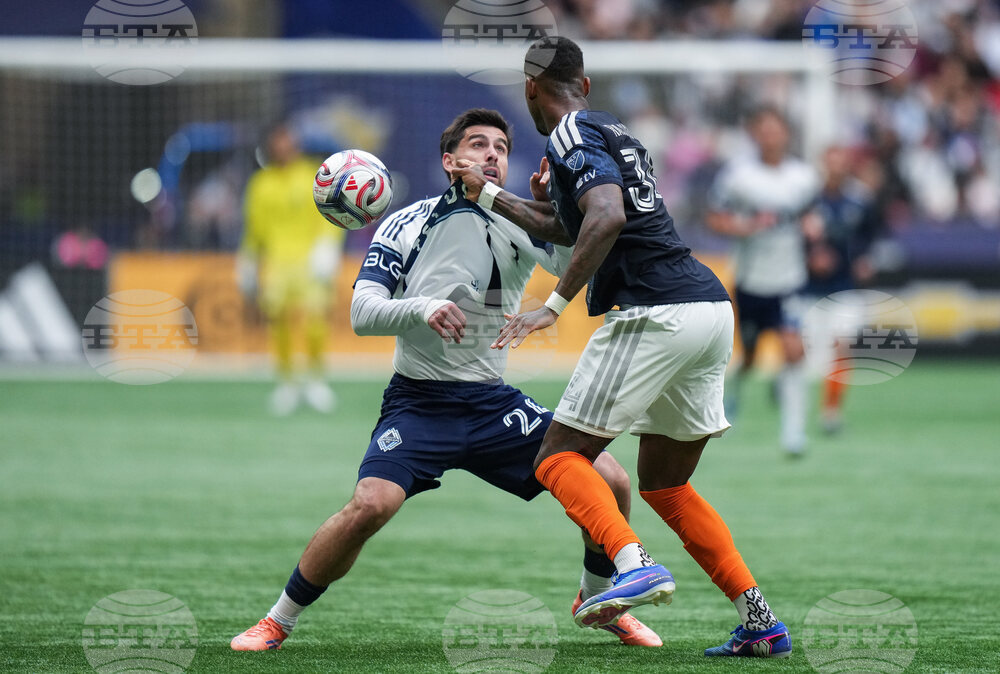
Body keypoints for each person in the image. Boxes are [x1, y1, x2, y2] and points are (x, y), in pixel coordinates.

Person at [230, 108, 661, 652]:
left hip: (493, 406)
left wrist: (558, 210)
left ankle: (598, 599)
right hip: (419, 403)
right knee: (370, 505)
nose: (492, 155)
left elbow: (581, 263)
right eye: (478, 144)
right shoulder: (404, 222)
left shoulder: (522, 220)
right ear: (449, 160)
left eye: (501, 147)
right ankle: (278, 619)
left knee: (613, 480)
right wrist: (424, 307)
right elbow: (363, 312)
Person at [453, 37, 790, 658]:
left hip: (654, 311)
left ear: (531, 88)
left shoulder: (571, 134)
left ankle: (632, 563)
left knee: (556, 459)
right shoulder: (613, 131)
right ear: (583, 84)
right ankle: (760, 620)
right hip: (709, 309)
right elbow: (575, 223)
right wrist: (492, 193)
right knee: (666, 485)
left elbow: (605, 218)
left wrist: (552, 308)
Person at [706, 106, 821, 456]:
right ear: (754, 134)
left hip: (790, 280)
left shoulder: (803, 177)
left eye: (777, 130)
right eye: (764, 130)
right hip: (751, 279)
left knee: (793, 349)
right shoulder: (737, 177)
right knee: (752, 355)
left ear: (786, 134)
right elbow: (715, 218)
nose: (771, 137)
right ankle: (738, 390)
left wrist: (814, 234)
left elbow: (812, 218)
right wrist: (745, 227)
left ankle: (793, 433)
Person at [237, 122, 343, 416]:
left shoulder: (314, 175)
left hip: (309, 261)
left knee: (314, 318)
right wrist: (247, 258)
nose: (284, 145)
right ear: (272, 144)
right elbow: (254, 227)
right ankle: (287, 381)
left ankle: (315, 379)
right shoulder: (261, 183)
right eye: (279, 140)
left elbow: (330, 213)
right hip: (276, 263)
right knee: (279, 320)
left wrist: (328, 247)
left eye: (288, 139)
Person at [803, 145, 880, 433]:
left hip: (845, 287)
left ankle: (831, 411)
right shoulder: (808, 198)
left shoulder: (861, 200)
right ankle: (788, 391)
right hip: (809, 288)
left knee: (842, 347)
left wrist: (864, 259)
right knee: (810, 357)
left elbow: (872, 235)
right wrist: (810, 256)